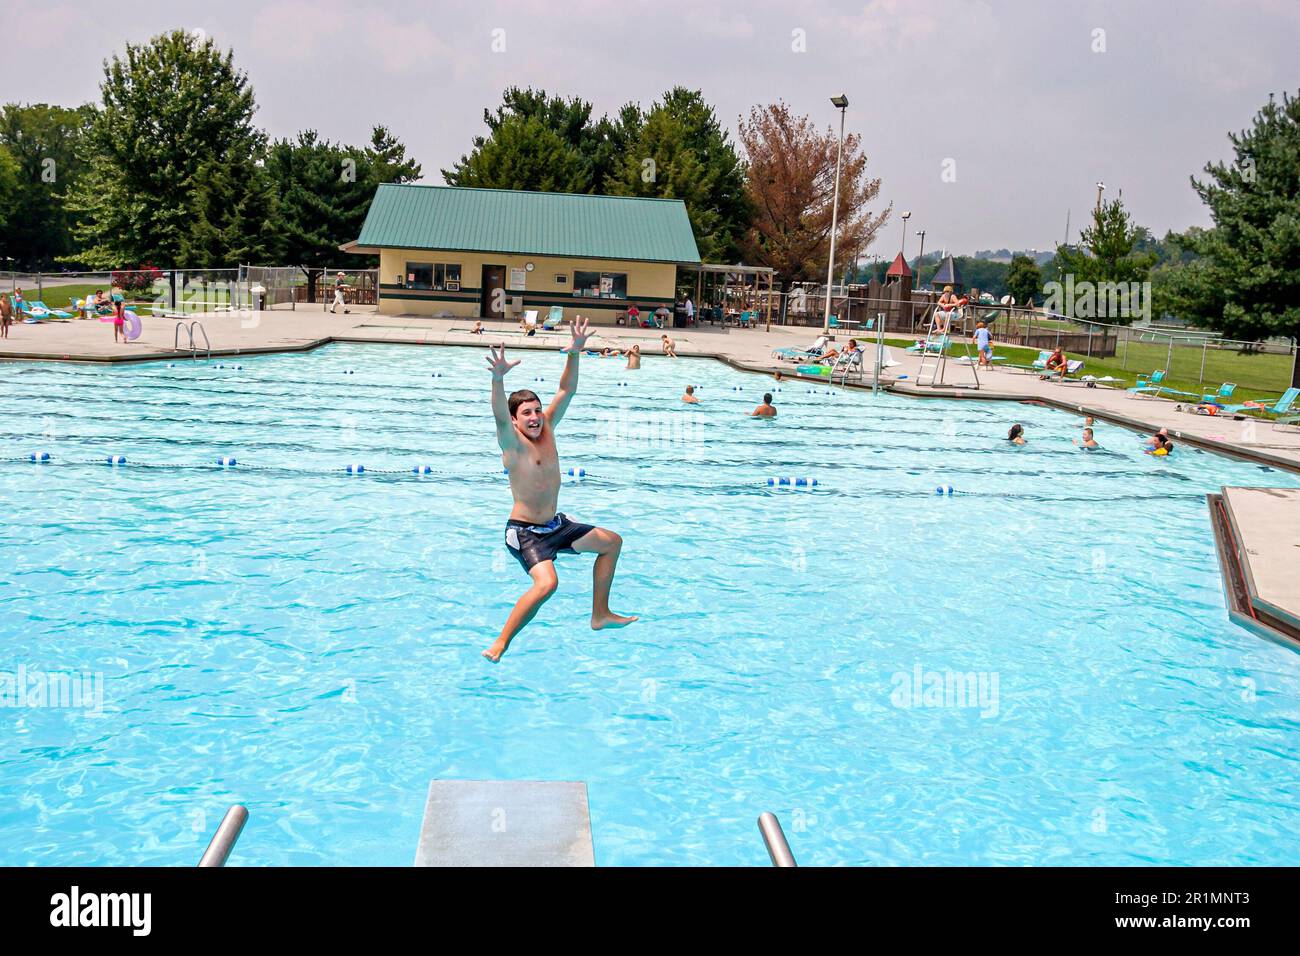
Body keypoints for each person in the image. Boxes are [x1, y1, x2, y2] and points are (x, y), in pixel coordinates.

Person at [482, 319, 637, 663]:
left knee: (612, 543)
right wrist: (497, 379)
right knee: (547, 584)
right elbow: (497, 416)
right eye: (527, 414)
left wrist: (576, 353)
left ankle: (600, 614)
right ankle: (502, 642)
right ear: (515, 420)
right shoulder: (512, 444)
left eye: (537, 410)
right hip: (525, 533)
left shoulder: (548, 428)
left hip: (556, 526)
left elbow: (567, 391)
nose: (535, 417)